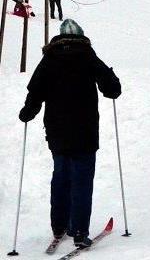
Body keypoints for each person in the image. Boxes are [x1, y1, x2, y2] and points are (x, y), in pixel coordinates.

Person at [19, 19, 121, 249]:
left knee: (61, 176)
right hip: (85, 130)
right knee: (82, 180)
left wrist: (28, 111)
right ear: (82, 36)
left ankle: (59, 226)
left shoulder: (50, 59)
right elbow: (112, 87)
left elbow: (35, 90)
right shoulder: (87, 55)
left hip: (57, 130)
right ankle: (78, 230)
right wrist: (112, 85)